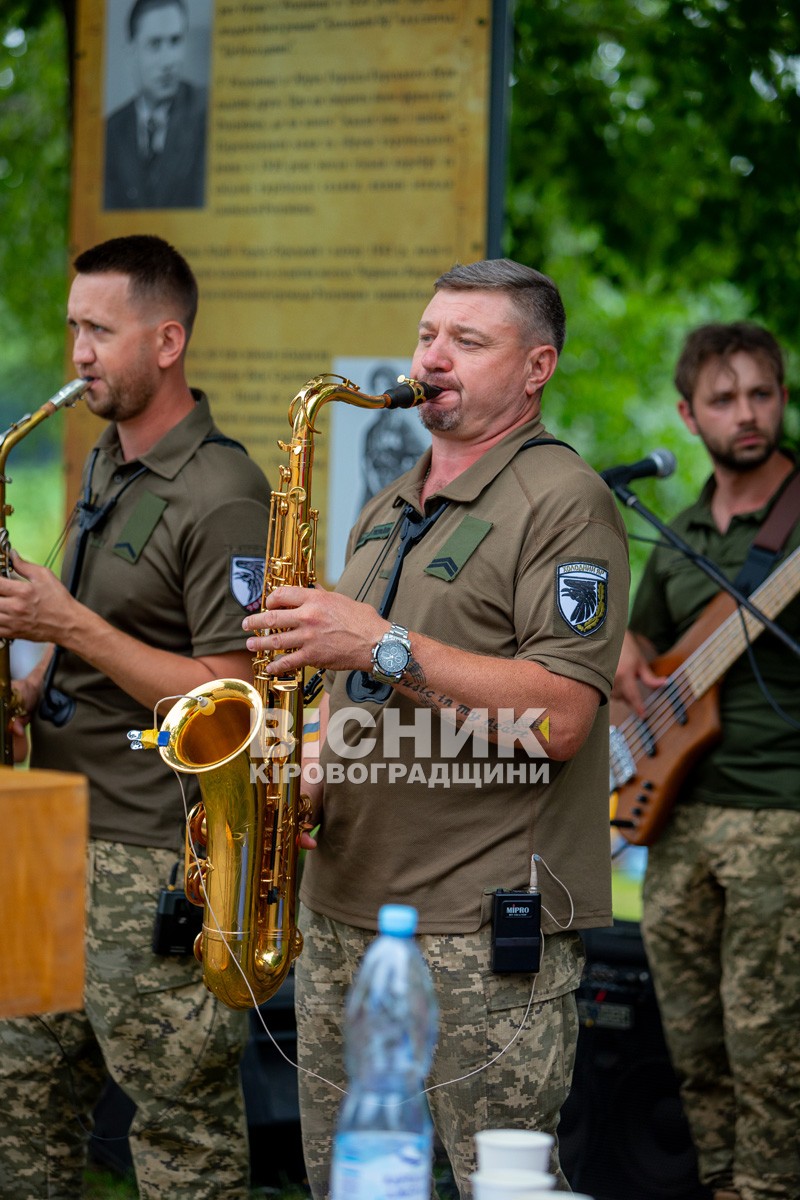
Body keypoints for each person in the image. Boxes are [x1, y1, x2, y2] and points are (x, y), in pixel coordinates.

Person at [243, 258, 631, 1196]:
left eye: (468, 340)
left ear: (536, 368)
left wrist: (379, 644)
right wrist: (316, 759)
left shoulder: (564, 501)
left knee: (489, 1187)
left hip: (478, 933)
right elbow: (365, 696)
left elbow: (562, 717)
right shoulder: (387, 504)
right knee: (350, 1181)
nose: (434, 357)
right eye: (427, 335)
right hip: (347, 920)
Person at [0, 234, 271, 1199]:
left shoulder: (226, 491)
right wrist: (35, 679)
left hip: (152, 850)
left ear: (167, 341)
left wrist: (65, 621)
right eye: (73, 328)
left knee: (179, 1134)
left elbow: (226, 697)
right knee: (19, 1106)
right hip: (50, 832)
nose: (78, 353)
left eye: (99, 331)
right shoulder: (104, 463)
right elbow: (111, 644)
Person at [612, 322, 800, 1200]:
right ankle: (723, 1183)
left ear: (784, 399)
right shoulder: (679, 528)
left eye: (762, 393)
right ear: (689, 415)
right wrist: (624, 650)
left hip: (779, 810)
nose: (747, 413)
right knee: (691, 1035)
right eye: (724, 400)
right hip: (678, 812)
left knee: (771, 1039)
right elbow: (646, 647)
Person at [104, 0, 208, 210]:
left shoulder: (208, 113)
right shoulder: (111, 131)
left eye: (175, 41)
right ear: (131, 51)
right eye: (155, 44)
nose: (168, 61)